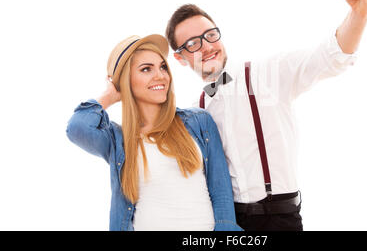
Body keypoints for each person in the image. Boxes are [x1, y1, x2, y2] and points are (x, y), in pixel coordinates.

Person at [165, 0, 367, 231]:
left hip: (281, 218)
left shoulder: (266, 74)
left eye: (210, 35)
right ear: (180, 58)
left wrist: (360, 13)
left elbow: (329, 58)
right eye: (193, 43)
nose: (206, 46)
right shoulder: (197, 110)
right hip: (230, 223)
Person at [66, 34, 242, 231]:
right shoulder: (117, 140)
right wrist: (110, 94)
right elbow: (77, 129)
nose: (160, 75)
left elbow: (221, 192)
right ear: (125, 80)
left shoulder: (198, 121)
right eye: (146, 69)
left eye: (163, 67)